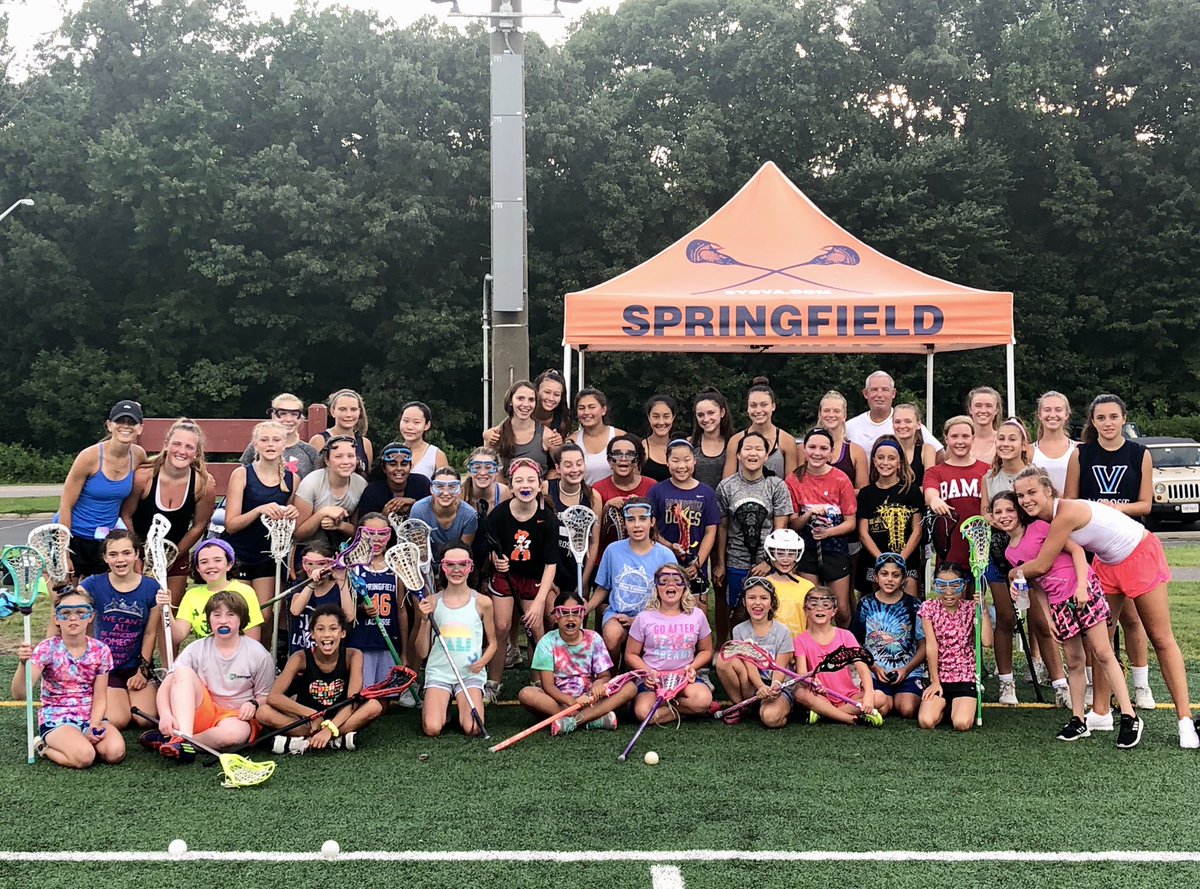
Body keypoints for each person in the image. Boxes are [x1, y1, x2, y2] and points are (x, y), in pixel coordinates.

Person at [1012, 467, 1198, 748]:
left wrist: (1013, 575)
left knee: (1160, 638)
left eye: (1032, 492)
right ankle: (1101, 711)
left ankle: (1184, 721)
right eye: (1020, 495)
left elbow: (1041, 565)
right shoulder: (1046, 521)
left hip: (1139, 553)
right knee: (1101, 642)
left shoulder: (1065, 513)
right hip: (1105, 564)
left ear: (1049, 491)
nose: (1026, 500)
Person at [992, 491, 1141, 748]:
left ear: (1019, 512)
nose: (1004, 516)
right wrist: (1048, 616)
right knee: (1074, 661)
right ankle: (1078, 719)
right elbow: (1037, 586)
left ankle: (1129, 716)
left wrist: (1083, 586)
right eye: (998, 512)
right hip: (1059, 604)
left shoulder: (1040, 527)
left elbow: (1077, 552)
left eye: (1009, 510)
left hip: (1083, 593)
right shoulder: (1009, 554)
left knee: (1102, 652)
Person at [1065, 394, 1156, 711]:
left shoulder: (1139, 453)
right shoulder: (1082, 454)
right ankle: (1097, 686)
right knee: (1098, 621)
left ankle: (1141, 685)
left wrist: (1115, 508)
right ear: (1092, 421)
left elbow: (1146, 505)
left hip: (1129, 544)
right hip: (1093, 548)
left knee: (1132, 618)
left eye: (1113, 417)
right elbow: (1070, 503)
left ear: (1123, 419)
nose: (1107, 423)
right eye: (1100, 418)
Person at [147, 591, 274, 761]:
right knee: (182, 671)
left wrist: (253, 704)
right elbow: (169, 682)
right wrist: (165, 715)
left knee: (233, 737)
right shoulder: (196, 648)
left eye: (230, 615)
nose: (223, 620)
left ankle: (180, 741)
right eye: (217, 615)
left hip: (235, 717)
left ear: (241, 619)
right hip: (202, 710)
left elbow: (266, 696)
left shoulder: (259, 654)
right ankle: (181, 737)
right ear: (209, 619)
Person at [13, 588, 127, 768]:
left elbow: (100, 695)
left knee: (115, 752)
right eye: (65, 613)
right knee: (85, 757)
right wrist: (23, 664)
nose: (73, 618)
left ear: (91, 616)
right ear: (56, 619)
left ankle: (78, 742)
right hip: (57, 717)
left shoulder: (101, 650)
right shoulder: (46, 649)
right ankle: (43, 747)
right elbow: (20, 694)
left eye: (81, 612)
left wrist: (95, 723)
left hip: (90, 715)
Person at [260, 605, 383, 753]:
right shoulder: (299, 657)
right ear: (312, 634)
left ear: (343, 632)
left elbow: (353, 700)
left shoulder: (353, 655)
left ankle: (308, 742)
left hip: (340, 717)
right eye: (320, 629)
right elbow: (273, 697)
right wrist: (312, 714)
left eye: (333, 629)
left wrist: (330, 729)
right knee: (263, 712)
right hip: (308, 721)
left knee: (374, 706)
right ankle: (335, 741)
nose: (326, 635)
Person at [484, 459, 560, 699]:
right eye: (519, 481)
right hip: (507, 577)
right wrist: (497, 559)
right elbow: (492, 548)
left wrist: (538, 602)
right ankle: (493, 682)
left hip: (535, 579)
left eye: (530, 480)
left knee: (534, 626)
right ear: (510, 486)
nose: (525, 485)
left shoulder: (547, 518)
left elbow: (551, 564)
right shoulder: (499, 514)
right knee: (502, 626)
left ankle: (538, 682)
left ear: (540, 485)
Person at [123, 418, 217, 603]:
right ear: (166, 445)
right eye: (177, 444)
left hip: (175, 555)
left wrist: (170, 557)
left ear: (197, 453)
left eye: (189, 447)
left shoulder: (203, 485)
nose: (182, 451)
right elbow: (126, 515)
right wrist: (136, 556)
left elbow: (199, 526)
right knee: (137, 611)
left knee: (168, 613)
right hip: (137, 552)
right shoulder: (144, 477)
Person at [517, 591, 638, 735]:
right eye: (564, 613)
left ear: (582, 616)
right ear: (556, 617)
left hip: (590, 700)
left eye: (576, 613)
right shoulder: (547, 642)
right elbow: (548, 686)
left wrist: (598, 684)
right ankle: (592, 718)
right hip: (560, 701)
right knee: (526, 694)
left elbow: (604, 675)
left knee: (630, 687)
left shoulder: (594, 638)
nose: (570, 618)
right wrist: (571, 702)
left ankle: (571, 721)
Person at [715, 432, 793, 644]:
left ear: (766, 455)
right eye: (747, 448)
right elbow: (722, 527)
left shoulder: (776, 485)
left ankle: (769, 655)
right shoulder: (726, 486)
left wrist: (770, 562)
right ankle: (737, 651)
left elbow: (780, 528)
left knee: (768, 610)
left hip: (766, 563)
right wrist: (721, 564)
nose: (753, 453)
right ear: (738, 454)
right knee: (737, 611)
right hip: (736, 560)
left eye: (759, 449)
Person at [79, 530, 162, 729]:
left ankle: (139, 687)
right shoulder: (92, 584)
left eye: (126, 553)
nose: (120, 560)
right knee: (118, 720)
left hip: (136, 665)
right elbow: (72, 602)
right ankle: (105, 694)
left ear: (136, 554)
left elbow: (151, 633)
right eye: (113, 555)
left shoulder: (152, 588)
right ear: (105, 558)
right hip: (107, 669)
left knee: (145, 719)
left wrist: (142, 671)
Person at [58, 400, 148, 579]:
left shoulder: (138, 456)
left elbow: (161, 465)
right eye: (120, 421)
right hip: (75, 537)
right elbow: (66, 506)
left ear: (140, 429)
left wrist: (200, 473)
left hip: (105, 541)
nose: (126, 426)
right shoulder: (88, 457)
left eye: (132, 422)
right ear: (109, 425)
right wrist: (64, 553)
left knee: (99, 599)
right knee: (68, 601)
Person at [979, 417, 1034, 706]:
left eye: (1012, 439)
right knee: (1006, 616)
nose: (1006, 444)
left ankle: (1057, 678)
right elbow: (984, 513)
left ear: (1024, 444)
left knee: (1039, 619)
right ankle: (1006, 681)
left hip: (1030, 553)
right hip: (997, 553)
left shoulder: (1036, 474)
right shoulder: (989, 478)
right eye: (1001, 439)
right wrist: (999, 520)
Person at [415, 543, 497, 737]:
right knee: (432, 728)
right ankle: (442, 710)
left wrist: (482, 662)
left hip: (469, 675)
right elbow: (421, 652)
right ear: (443, 568)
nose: (456, 570)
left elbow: (493, 643)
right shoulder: (432, 602)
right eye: (450, 565)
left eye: (462, 564)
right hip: (439, 673)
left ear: (470, 567)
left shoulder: (483, 602)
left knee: (473, 728)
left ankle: (455, 708)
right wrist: (425, 621)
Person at [222, 420, 298, 626]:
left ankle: (261, 657)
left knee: (265, 616)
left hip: (268, 555)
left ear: (284, 445)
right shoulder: (242, 474)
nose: (270, 445)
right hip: (240, 553)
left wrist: (292, 512)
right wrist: (258, 510)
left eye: (276, 440)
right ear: (256, 445)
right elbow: (231, 524)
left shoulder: (292, 479)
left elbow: (289, 522)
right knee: (240, 613)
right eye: (264, 440)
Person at [589, 498, 677, 664]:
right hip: (618, 615)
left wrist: (642, 619)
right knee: (611, 635)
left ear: (652, 522)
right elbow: (603, 587)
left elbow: (673, 596)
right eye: (631, 519)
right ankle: (611, 675)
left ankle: (641, 674)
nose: (637, 525)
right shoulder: (613, 551)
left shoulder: (665, 555)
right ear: (624, 524)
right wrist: (587, 607)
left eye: (642, 519)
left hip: (654, 617)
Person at [625, 564, 715, 723]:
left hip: (684, 679)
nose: (670, 585)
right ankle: (689, 711)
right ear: (657, 587)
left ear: (685, 587)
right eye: (664, 581)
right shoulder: (644, 617)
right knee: (643, 712)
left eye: (676, 580)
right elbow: (631, 654)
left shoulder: (697, 615)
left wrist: (692, 667)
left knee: (703, 699)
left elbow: (706, 650)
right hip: (653, 681)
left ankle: (669, 709)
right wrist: (647, 672)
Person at [787, 428, 858, 627]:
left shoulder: (841, 479)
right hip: (807, 549)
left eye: (823, 448)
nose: (817, 453)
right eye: (812, 447)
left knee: (842, 609)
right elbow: (793, 523)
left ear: (831, 452)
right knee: (812, 604)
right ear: (804, 449)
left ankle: (846, 646)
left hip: (835, 548)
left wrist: (828, 532)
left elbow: (850, 522)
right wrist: (808, 514)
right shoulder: (793, 479)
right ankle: (814, 649)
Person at [794, 587, 885, 725]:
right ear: (806, 610)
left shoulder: (845, 635)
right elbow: (802, 673)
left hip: (849, 695)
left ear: (834, 611)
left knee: (880, 697)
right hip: (821, 695)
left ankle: (825, 713)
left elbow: (862, 668)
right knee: (800, 694)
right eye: (813, 605)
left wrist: (868, 695)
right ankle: (849, 718)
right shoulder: (800, 640)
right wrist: (812, 682)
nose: (820, 609)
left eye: (825, 605)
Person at [716, 576, 794, 728]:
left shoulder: (783, 631)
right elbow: (749, 663)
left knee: (771, 719)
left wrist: (774, 687)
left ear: (772, 603)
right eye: (752, 598)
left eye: (764, 598)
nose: (757, 603)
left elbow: (781, 667)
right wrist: (760, 687)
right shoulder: (739, 630)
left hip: (777, 685)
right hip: (753, 684)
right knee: (723, 661)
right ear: (745, 602)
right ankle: (741, 706)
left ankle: (785, 707)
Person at [648, 439, 720, 603]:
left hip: (694, 565)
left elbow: (711, 531)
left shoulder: (706, 492)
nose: (682, 466)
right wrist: (669, 546)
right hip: (663, 562)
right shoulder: (657, 491)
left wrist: (698, 563)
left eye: (687, 460)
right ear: (667, 462)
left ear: (694, 460)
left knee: (695, 614)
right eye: (675, 460)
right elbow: (651, 527)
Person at [855, 554, 925, 719]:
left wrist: (905, 670)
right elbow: (856, 643)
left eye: (895, 575)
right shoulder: (865, 604)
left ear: (903, 578)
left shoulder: (915, 605)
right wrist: (874, 667)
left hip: (908, 671)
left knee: (907, 709)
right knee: (883, 709)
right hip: (875, 671)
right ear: (876, 576)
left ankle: (905, 694)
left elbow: (924, 646)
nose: (889, 579)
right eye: (884, 574)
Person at [857, 436, 923, 597]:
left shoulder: (911, 491)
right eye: (880, 458)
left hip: (906, 561)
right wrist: (881, 559)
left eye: (891, 458)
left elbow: (917, 530)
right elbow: (863, 533)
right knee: (878, 610)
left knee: (909, 610)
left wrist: (901, 559)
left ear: (900, 462)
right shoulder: (866, 494)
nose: (885, 462)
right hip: (875, 561)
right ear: (873, 461)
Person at [346, 514, 406, 686]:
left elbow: (401, 611)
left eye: (382, 534)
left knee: (385, 698)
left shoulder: (395, 568)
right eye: (370, 533)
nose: (376, 539)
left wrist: (405, 652)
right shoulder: (353, 568)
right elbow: (344, 609)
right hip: (361, 643)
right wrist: (361, 609)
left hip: (388, 643)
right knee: (363, 693)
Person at [169, 539, 265, 646]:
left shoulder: (245, 592)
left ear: (229, 564)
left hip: (237, 656)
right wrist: (166, 609)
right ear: (198, 568)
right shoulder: (192, 595)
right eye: (204, 562)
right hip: (204, 656)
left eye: (217, 560)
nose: (211, 566)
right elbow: (177, 636)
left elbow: (253, 639)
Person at [918, 563, 979, 732]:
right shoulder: (929, 608)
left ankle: (958, 707)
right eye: (941, 586)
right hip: (941, 676)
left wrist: (983, 609)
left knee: (961, 723)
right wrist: (935, 681)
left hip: (965, 675)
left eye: (954, 585)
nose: (948, 592)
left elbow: (987, 641)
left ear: (963, 585)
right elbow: (931, 645)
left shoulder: (971, 608)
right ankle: (945, 706)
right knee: (926, 721)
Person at [922, 415, 988, 570]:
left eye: (965, 436)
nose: (960, 441)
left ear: (973, 438)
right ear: (946, 439)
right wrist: (934, 500)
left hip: (979, 548)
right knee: (952, 593)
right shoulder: (935, 472)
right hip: (950, 549)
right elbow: (930, 493)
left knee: (976, 593)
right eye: (954, 436)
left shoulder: (986, 470)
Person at [547, 442, 602, 601]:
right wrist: (547, 579)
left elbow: (594, 542)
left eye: (579, 464)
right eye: (568, 465)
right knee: (552, 619)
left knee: (576, 619)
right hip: (552, 567)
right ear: (558, 468)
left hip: (577, 567)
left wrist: (584, 581)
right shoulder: (546, 490)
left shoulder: (593, 497)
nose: (575, 470)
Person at [294, 435, 368, 550]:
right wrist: (322, 513)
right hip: (307, 549)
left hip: (342, 547)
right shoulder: (311, 482)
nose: (346, 462)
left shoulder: (361, 484)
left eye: (351, 456)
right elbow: (298, 535)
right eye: (338, 456)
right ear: (327, 461)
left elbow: (359, 532)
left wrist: (340, 526)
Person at [844, 371, 942, 455]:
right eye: (874, 390)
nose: (879, 395)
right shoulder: (850, 426)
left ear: (893, 393)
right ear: (865, 393)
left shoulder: (908, 425)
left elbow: (940, 454)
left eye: (885, 390)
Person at [287, 541, 355, 655]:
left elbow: (349, 617)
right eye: (309, 564)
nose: (314, 568)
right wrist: (312, 584)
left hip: (330, 653)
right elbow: (295, 610)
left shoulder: (338, 588)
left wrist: (341, 580)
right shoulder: (300, 585)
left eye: (321, 563)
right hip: (302, 653)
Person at [723, 377, 798, 478]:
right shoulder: (736, 441)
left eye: (764, 405)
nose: (758, 410)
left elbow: (791, 484)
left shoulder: (786, 441)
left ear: (773, 406)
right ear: (747, 408)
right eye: (753, 405)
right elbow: (727, 485)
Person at [593, 434, 656, 552]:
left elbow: (657, 532)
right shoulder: (597, 489)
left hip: (644, 555)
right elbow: (594, 539)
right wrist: (606, 508)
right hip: (607, 557)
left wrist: (640, 506)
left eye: (630, 454)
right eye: (617, 453)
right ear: (609, 460)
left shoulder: (651, 486)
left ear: (637, 461)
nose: (623, 458)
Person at [483, 380, 554, 478]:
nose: (526, 404)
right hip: (507, 491)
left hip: (538, 491)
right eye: (520, 398)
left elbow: (561, 467)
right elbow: (485, 467)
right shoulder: (496, 434)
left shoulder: (547, 435)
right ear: (511, 401)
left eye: (531, 400)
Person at [410, 467, 479, 565]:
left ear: (460, 490)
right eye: (439, 486)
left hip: (454, 565)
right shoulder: (419, 510)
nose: (446, 493)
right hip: (425, 565)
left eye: (452, 487)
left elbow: (462, 553)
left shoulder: (469, 515)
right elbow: (420, 552)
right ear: (431, 489)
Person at [240, 393, 319, 479]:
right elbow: (243, 477)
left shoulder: (309, 451)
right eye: (283, 413)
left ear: (300, 418)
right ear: (273, 416)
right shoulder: (258, 446)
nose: (288, 419)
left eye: (294, 414)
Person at [356, 441, 433, 518]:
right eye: (393, 464)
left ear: (410, 467)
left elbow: (434, 514)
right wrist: (382, 517)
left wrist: (414, 504)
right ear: (384, 468)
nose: (399, 468)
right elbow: (363, 525)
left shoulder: (422, 484)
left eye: (404, 464)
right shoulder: (372, 492)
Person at [308, 388, 373, 475]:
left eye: (353, 409)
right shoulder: (319, 441)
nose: (348, 415)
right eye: (342, 409)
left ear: (359, 412)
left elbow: (367, 477)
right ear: (333, 411)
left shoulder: (365, 444)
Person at [762, 528, 813, 636]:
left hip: (799, 646)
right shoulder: (763, 585)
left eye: (791, 554)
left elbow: (812, 622)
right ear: (770, 554)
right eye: (780, 554)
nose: (786, 559)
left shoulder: (807, 586)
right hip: (770, 647)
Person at [571, 387, 626, 485]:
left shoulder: (621, 437)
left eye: (592, 407)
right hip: (584, 498)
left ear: (603, 410)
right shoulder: (572, 441)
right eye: (581, 408)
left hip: (617, 498)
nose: (586, 412)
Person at [817, 391, 868, 488]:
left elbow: (863, 491)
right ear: (820, 414)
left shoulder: (857, 452)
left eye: (836, 411)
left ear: (844, 416)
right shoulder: (806, 449)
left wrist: (837, 493)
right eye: (826, 410)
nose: (831, 415)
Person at [1031, 390, 1077, 494]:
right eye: (1047, 410)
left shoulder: (1079, 449)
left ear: (1066, 414)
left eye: (1058, 410)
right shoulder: (1029, 451)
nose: (1052, 415)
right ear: (1039, 415)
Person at [690, 387, 734, 491]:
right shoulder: (690, 444)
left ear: (722, 412)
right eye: (700, 415)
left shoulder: (733, 443)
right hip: (694, 504)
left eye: (711, 413)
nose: (706, 419)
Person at [396, 401, 448, 480]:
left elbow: (445, 485)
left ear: (427, 425)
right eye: (405, 421)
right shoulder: (392, 452)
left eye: (416, 422)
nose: (409, 427)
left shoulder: (436, 455)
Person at [892, 403, 939, 489]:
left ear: (918, 424)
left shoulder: (927, 450)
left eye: (908, 421)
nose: (902, 426)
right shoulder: (886, 449)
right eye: (897, 422)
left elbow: (929, 484)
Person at [640, 394, 680, 483]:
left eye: (666, 416)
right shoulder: (641, 448)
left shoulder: (682, 446)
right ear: (648, 417)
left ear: (673, 417)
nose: (661, 422)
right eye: (656, 416)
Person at [531, 368, 572, 453]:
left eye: (556, 394)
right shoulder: (525, 411)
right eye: (547, 392)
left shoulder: (562, 421)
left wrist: (561, 442)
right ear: (537, 391)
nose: (551, 398)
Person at [966, 386, 1003, 464]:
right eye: (978, 406)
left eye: (989, 406)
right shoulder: (959, 441)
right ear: (970, 409)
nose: (983, 410)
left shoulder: (1004, 441)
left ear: (996, 410)